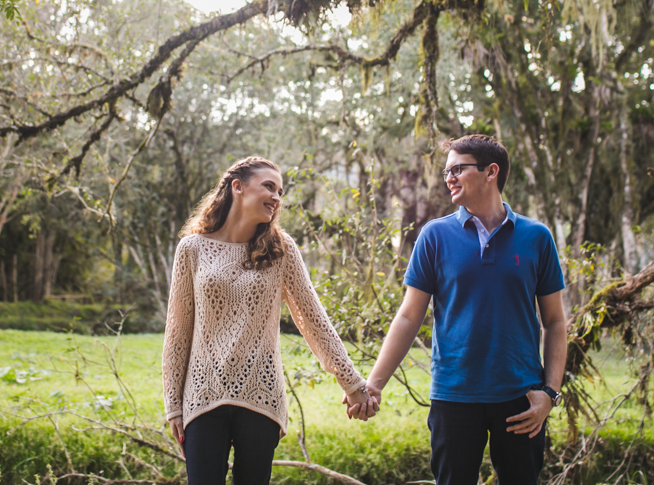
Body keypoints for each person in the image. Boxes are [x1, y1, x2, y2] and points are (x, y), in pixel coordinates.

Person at [359, 135, 567, 485]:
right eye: (446, 172)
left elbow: (556, 321)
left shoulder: (537, 237)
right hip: (454, 396)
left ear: (491, 172)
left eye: (458, 169)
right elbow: (409, 317)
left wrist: (549, 394)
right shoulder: (435, 236)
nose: (449, 178)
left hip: (521, 398)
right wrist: (374, 384)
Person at [162, 156, 378, 485]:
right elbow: (177, 334)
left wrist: (353, 384)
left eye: (280, 191)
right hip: (202, 396)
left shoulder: (281, 250)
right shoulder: (192, 249)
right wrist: (173, 406)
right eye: (269, 187)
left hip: (261, 396)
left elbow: (314, 322)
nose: (277, 197)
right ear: (237, 187)